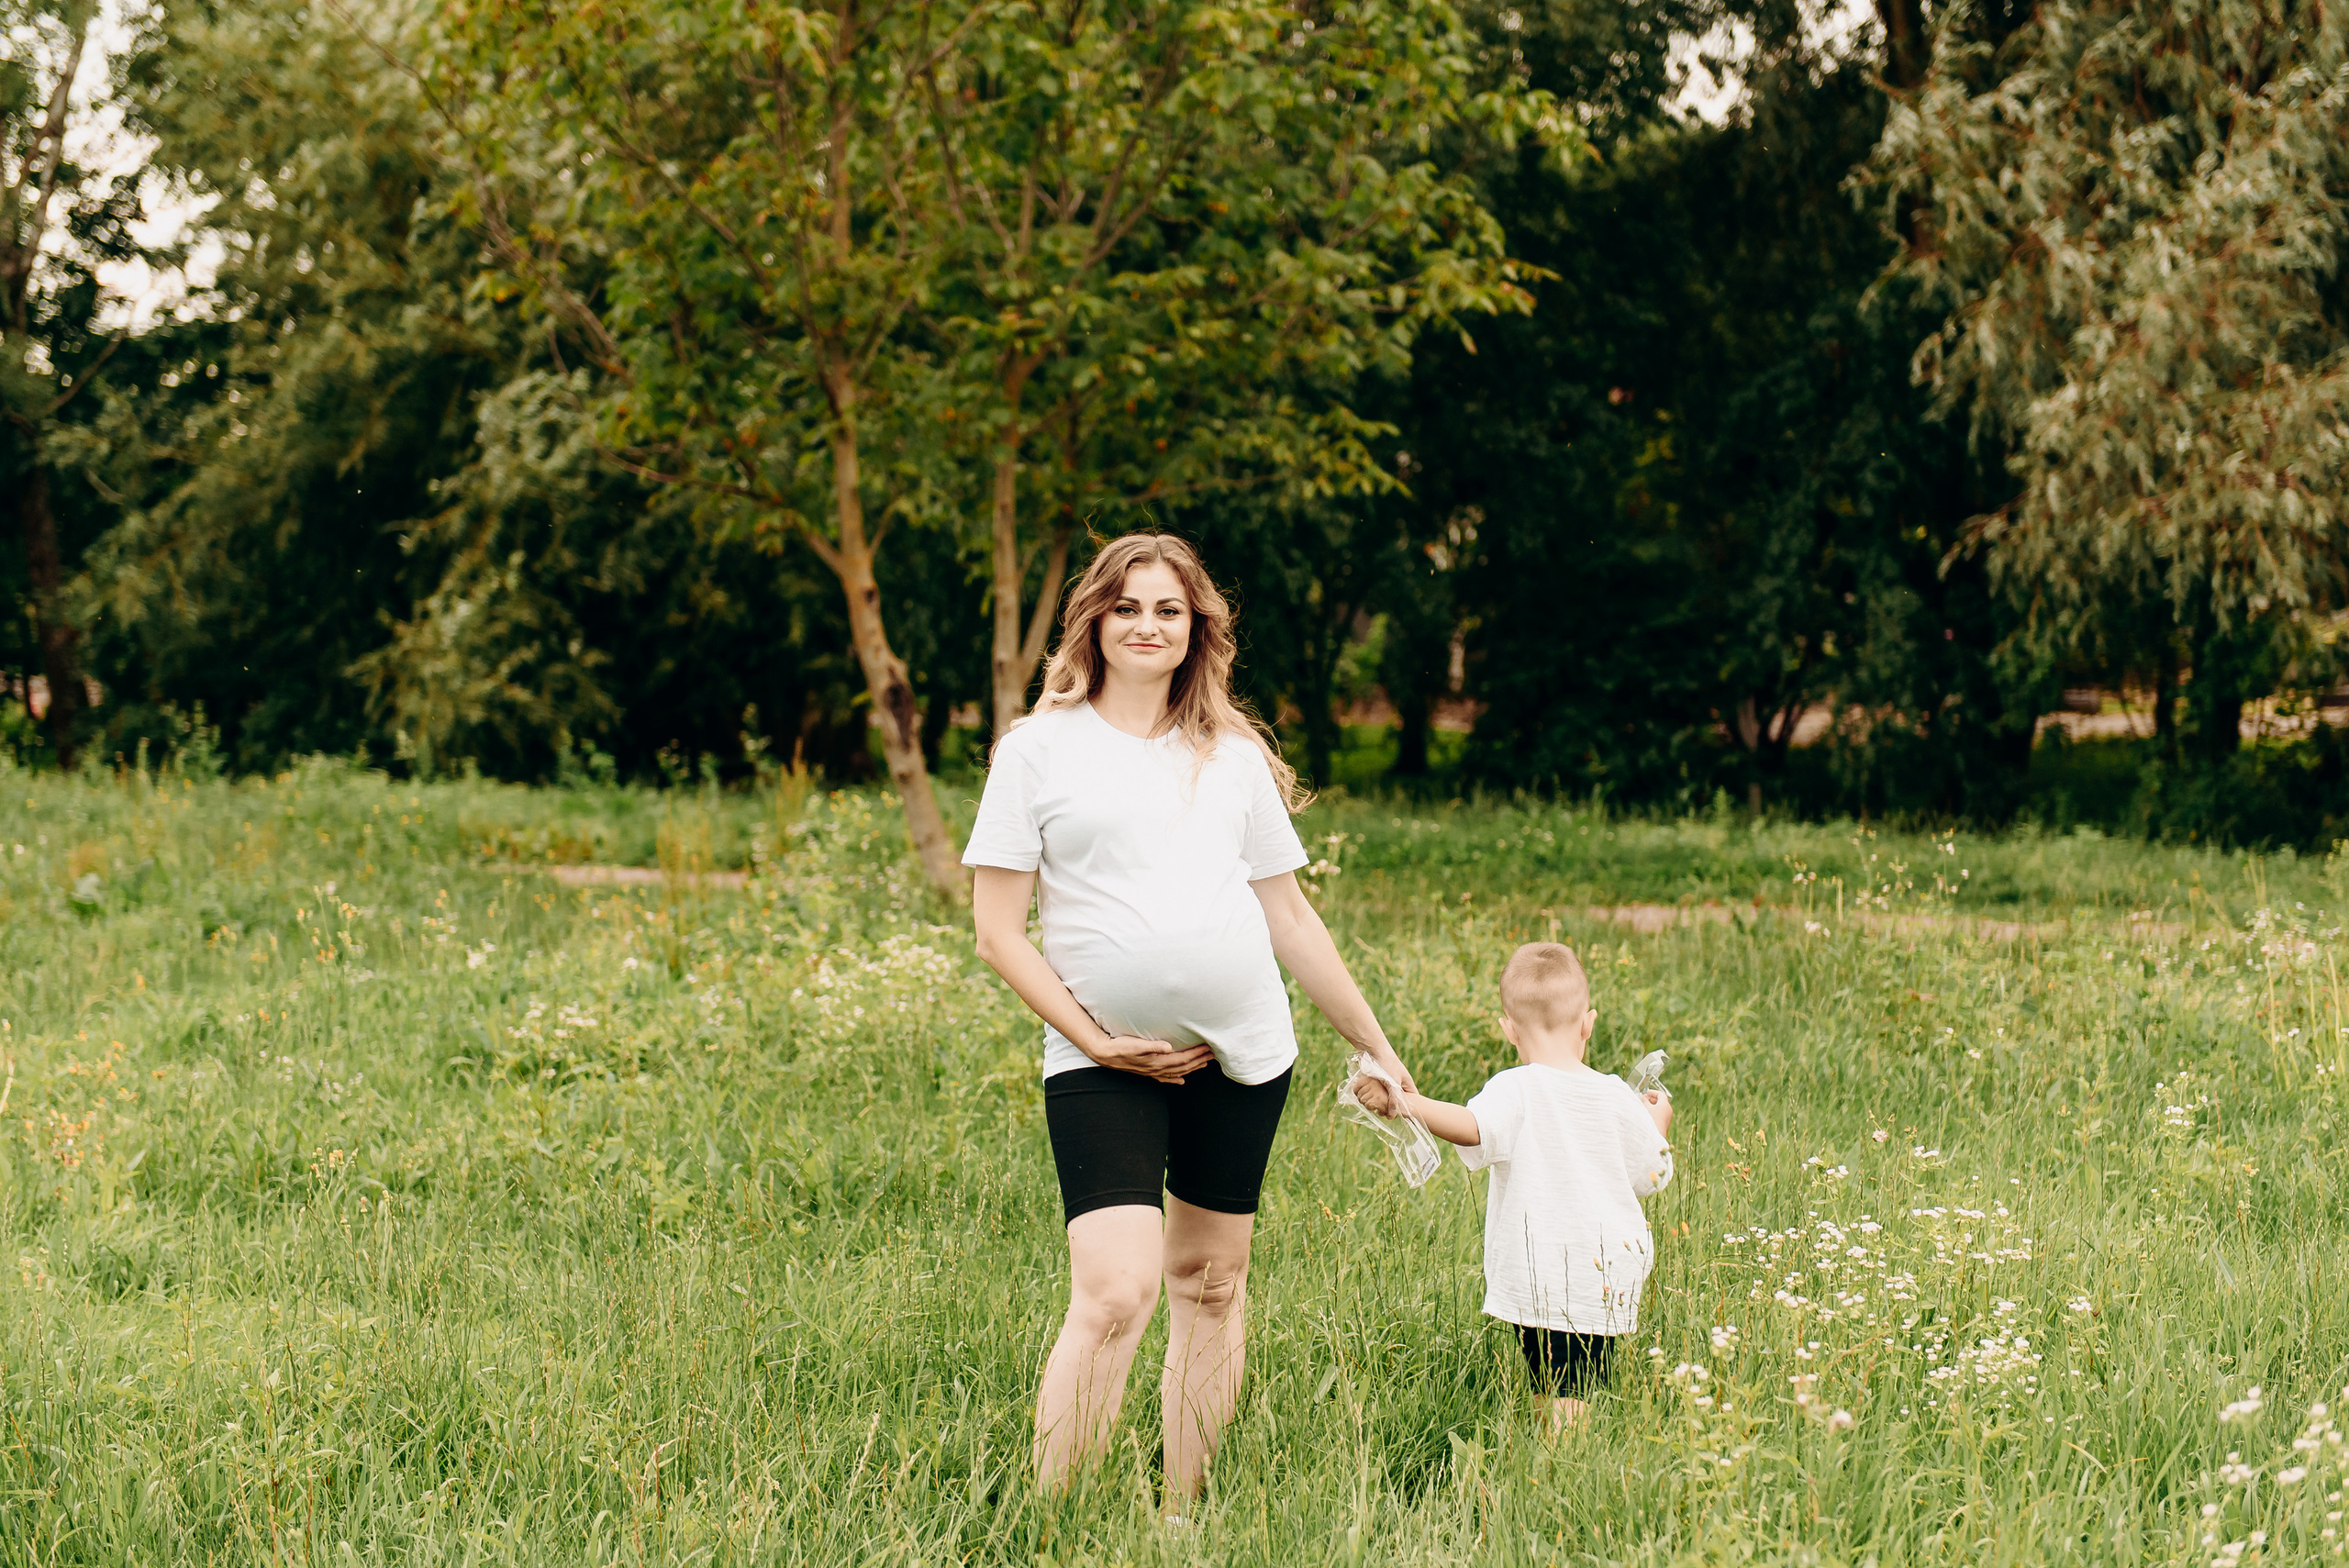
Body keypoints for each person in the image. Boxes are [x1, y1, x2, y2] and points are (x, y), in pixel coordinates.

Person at [964, 532, 1418, 1508]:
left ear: (1195, 628)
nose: (1146, 624)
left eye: (1168, 609)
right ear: (1095, 617)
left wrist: (1376, 1045)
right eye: (1128, 606)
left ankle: (1181, 1512)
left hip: (1242, 1055)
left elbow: (1288, 915)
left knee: (1210, 1283)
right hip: (1102, 1058)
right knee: (1115, 1291)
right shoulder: (1037, 750)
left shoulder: (1233, 757)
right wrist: (1093, 1040)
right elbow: (997, 932)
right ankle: (1058, 1521)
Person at [1353, 941, 1674, 1428]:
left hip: (1543, 1272)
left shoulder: (1515, 1088)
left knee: (1559, 1389)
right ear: (1588, 1023)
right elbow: (1653, 1175)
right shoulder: (1616, 1096)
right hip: (1607, 1275)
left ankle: (1562, 1472)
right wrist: (1658, 1125)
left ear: (1509, 1030)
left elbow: (1472, 1126)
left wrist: (1406, 1103)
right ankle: (1570, 1462)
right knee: (1578, 1384)